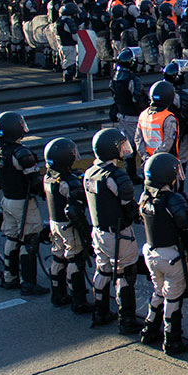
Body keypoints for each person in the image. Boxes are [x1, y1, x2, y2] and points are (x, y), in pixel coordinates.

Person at [138, 153, 188, 356]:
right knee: (173, 297)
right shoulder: (172, 200)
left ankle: (149, 329)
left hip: (151, 251)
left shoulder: (145, 196)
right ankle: (172, 339)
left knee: (159, 291)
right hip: (171, 255)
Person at [83, 128, 142, 332]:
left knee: (103, 269)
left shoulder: (90, 172)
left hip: (98, 231)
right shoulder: (117, 176)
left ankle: (100, 310)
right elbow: (129, 206)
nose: (124, 149)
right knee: (126, 273)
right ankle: (126, 319)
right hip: (118, 233)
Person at [0, 112, 48, 296]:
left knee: (12, 237)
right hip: (23, 203)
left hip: (6, 200)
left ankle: (9, 277)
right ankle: (28, 283)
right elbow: (33, 180)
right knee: (29, 240)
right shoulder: (21, 153)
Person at [43, 137, 92, 312]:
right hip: (68, 226)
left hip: (54, 223)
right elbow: (78, 207)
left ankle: (58, 293)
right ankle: (78, 299)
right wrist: (86, 233)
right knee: (74, 258)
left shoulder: (48, 177)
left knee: (58, 256)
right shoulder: (68, 182)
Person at [109, 48, 147, 183]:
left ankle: (131, 175)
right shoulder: (132, 79)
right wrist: (145, 111)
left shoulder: (115, 77)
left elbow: (114, 96)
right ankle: (145, 174)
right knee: (142, 146)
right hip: (135, 117)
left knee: (128, 148)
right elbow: (138, 98)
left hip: (122, 116)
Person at [136, 80, 179, 160]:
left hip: (147, 161)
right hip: (165, 161)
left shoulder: (143, 115)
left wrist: (145, 157)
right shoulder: (168, 118)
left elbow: (138, 140)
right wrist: (154, 158)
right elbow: (167, 144)